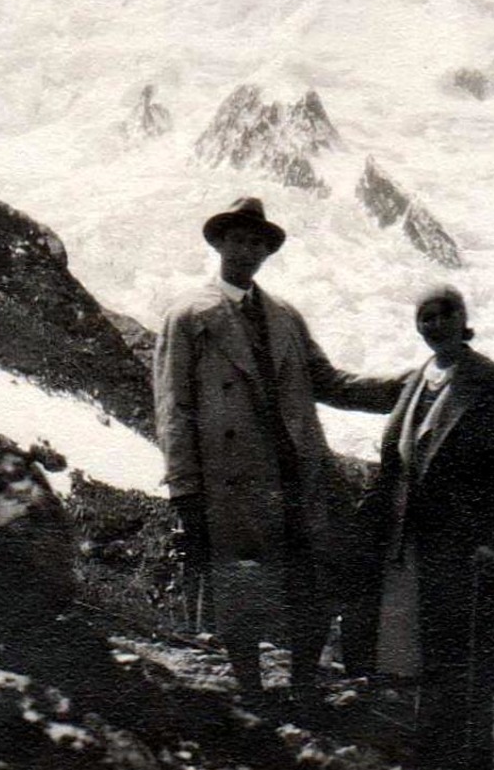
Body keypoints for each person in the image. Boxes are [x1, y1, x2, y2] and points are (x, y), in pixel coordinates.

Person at [154, 197, 401, 703]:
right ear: (220, 243)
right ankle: (250, 693)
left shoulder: (284, 316)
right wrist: (184, 486)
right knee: (241, 590)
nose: (246, 250)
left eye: (257, 243)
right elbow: (174, 407)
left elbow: (329, 381)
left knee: (313, 585)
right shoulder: (188, 317)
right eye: (237, 240)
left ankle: (305, 688)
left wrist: (403, 388)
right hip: (233, 479)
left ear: (267, 252)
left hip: (297, 474)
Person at [367, 284, 494, 770]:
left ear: (463, 319)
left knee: (465, 650)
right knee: (425, 644)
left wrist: (492, 537)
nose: (432, 325)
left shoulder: (490, 381)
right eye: (424, 317)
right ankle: (432, 750)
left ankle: (470, 762)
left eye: (442, 315)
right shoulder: (421, 376)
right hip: (417, 535)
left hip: (465, 539)